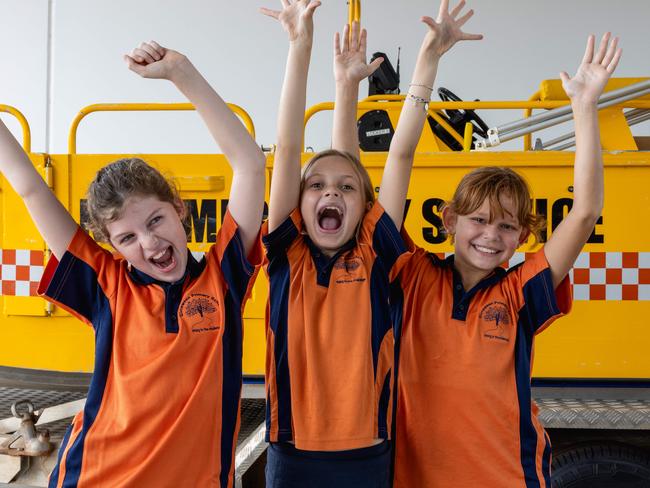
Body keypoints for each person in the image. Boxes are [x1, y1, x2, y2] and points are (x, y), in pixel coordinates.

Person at [0, 41, 266, 487]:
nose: (150, 242)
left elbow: (250, 164)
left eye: (156, 219)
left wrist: (181, 72)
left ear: (179, 208)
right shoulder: (106, 285)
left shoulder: (225, 279)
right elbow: (29, 187)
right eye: (127, 237)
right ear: (111, 245)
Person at [384, 3, 622, 484]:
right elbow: (401, 156)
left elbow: (585, 212)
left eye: (507, 227)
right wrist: (428, 63)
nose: (491, 235)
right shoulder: (411, 274)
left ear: (523, 236)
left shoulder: (518, 293)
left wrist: (584, 108)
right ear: (449, 220)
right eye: (478, 220)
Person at [259, 1, 407, 486]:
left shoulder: (373, 251)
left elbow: (360, 171)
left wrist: (348, 91)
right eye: (315, 186)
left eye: (344, 191)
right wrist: (299, 48)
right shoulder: (288, 255)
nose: (330, 194)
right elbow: (287, 146)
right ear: (298, 205)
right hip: (292, 452)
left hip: (367, 454)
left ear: (362, 206)